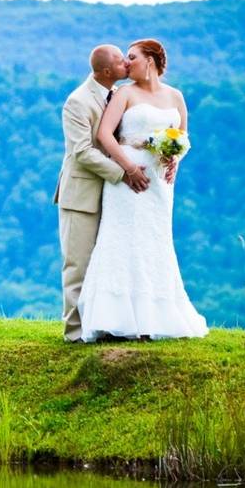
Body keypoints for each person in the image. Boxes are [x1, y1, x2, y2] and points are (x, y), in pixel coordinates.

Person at [76, 39, 209, 342]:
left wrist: (175, 158)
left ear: (150, 61)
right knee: (123, 241)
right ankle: (116, 320)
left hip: (160, 184)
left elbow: (183, 136)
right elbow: (105, 135)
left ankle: (151, 319)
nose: (127, 62)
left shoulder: (175, 96)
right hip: (128, 180)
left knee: (154, 241)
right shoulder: (124, 93)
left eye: (132, 57)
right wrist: (128, 168)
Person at [53, 44, 150, 343]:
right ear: (108, 71)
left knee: (108, 264)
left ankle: (107, 326)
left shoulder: (118, 95)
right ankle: (74, 333)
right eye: (122, 60)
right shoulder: (78, 102)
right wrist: (124, 171)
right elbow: (81, 152)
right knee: (78, 266)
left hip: (113, 197)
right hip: (81, 196)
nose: (126, 63)